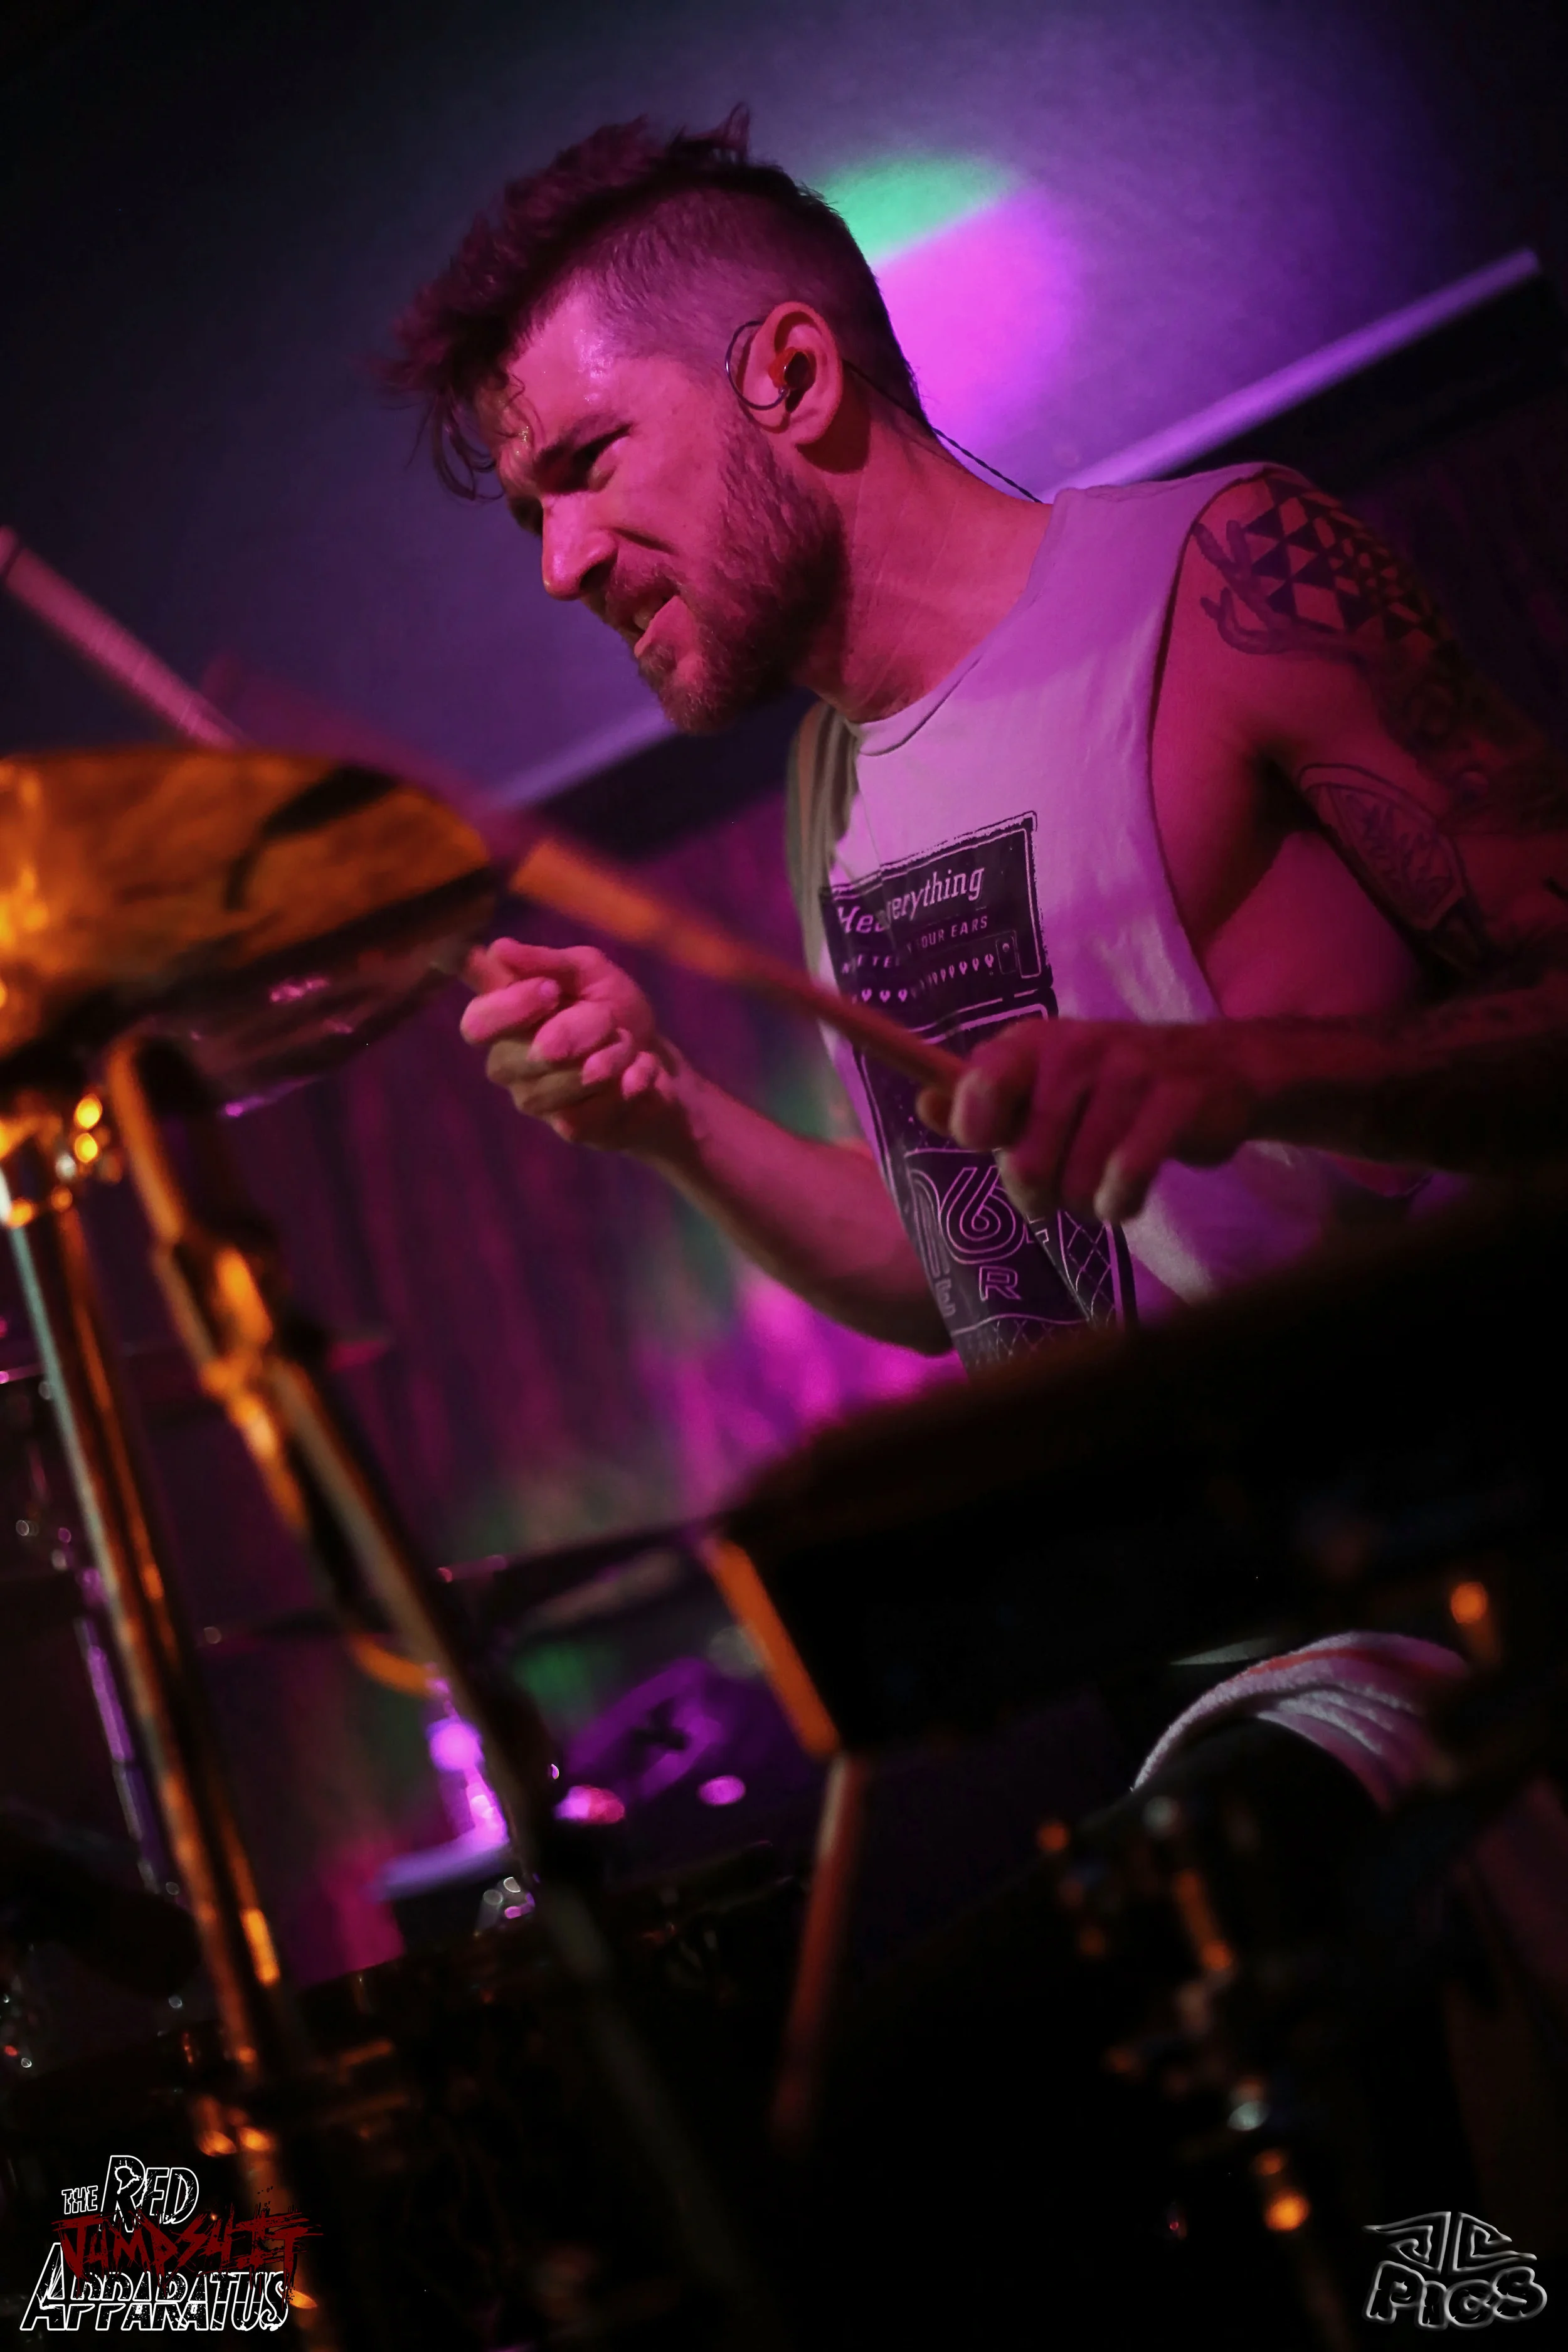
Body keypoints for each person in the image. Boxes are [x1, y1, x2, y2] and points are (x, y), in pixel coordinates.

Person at [384, 110, 1568, 2322]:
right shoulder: (838, 787)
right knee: (760, 2136)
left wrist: (1253, 1070)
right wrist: (668, 1123)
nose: (556, 563)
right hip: (1157, 1670)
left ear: (789, 376)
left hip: (1430, 1632)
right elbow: (971, 1285)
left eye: (582, 466)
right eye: (530, 506)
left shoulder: (1219, 579)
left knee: (992, 2133)